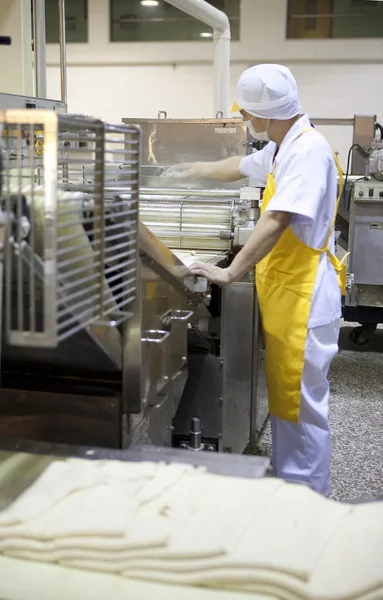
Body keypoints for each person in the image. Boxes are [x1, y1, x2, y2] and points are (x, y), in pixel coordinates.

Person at [163, 64, 347, 497]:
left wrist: (230, 271)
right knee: (287, 398)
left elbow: (277, 219)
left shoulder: (308, 150)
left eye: (248, 114)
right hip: (288, 293)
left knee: (300, 407)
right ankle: (291, 488)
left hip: (304, 298)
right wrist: (191, 169)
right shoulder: (284, 145)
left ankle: (307, 500)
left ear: (266, 113)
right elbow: (239, 165)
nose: (246, 121)